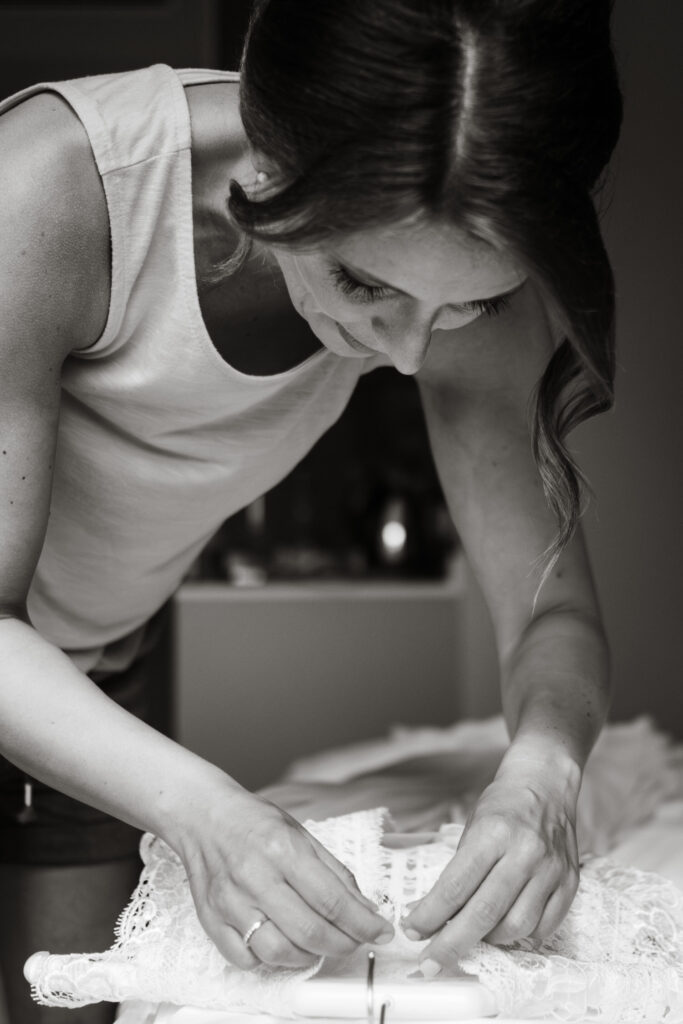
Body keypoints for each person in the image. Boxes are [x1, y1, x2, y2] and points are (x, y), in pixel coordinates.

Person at [0, 1, 622, 1021]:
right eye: (361, 281)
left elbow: (548, 611)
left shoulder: (461, 241)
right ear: (267, 161)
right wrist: (203, 810)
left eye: (462, 305)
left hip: (97, 679)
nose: (413, 351)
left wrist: (545, 771)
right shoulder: (47, 188)